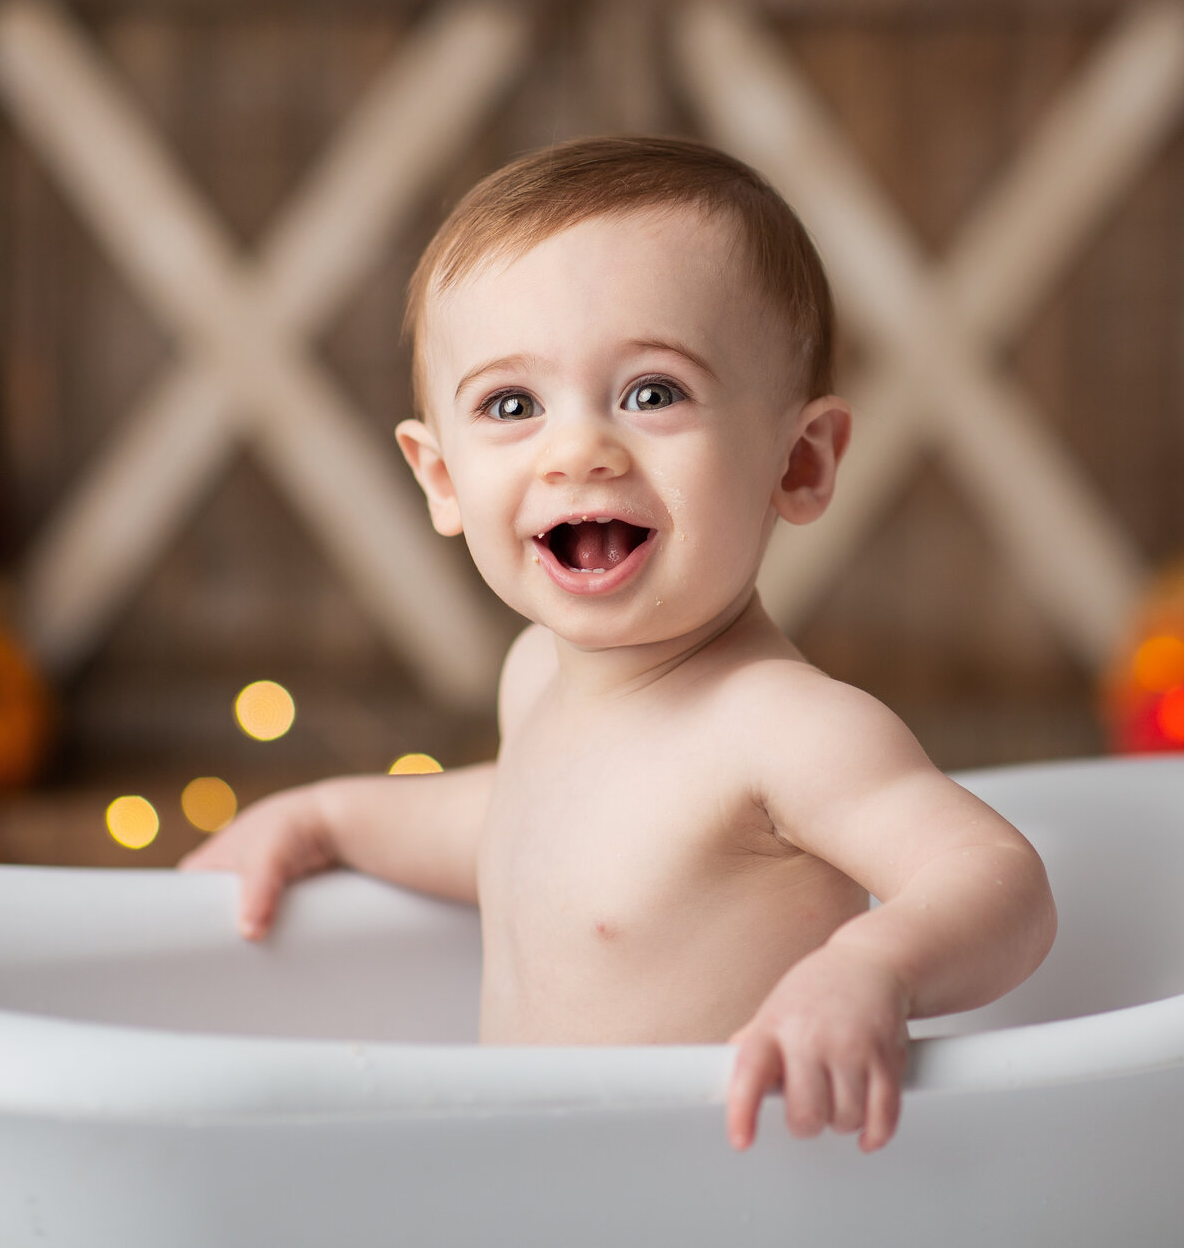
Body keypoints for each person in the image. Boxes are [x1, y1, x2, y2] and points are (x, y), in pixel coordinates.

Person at [181, 136, 1055, 1153]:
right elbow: (514, 828)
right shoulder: (536, 675)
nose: (579, 448)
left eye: (653, 391)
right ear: (441, 477)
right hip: (545, 1191)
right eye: (512, 404)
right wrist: (328, 816)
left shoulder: (783, 726)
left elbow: (996, 875)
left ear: (800, 459)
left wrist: (870, 967)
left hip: (705, 1207)